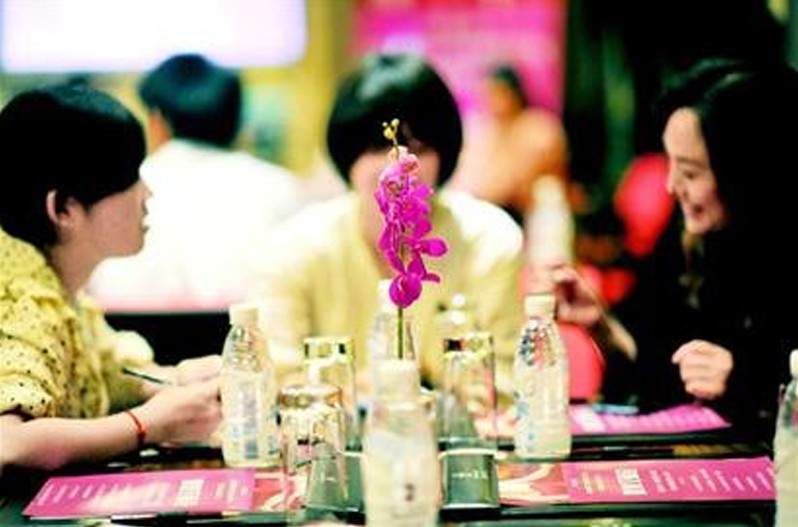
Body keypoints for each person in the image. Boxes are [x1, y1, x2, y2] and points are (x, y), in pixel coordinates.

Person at [249, 53, 524, 400]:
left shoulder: (489, 240)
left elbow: (505, 385)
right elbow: (274, 382)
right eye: (378, 147)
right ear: (347, 156)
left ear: (444, 155)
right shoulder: (292, 250)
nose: (396, 167)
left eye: (418, 148)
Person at [552, 58, 798, 434]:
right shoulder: (690, 238)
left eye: (691, 172)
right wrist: (602, 326)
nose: (671, 186)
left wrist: (746, 382)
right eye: (671, 164)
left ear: (749, 175)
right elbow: (658, 371)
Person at [0, 84, 222, 471]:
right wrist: (146, 425)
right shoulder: (20, 300)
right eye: (129, 179)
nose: (147, 194)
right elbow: (9, 443)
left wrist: (175, 380)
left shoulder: (56, 282)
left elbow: (103, 374)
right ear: (63, 209)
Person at [88, 53, 304, 311]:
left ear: (157, 121)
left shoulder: (121, 186)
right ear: (237, 123)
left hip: (127, 332)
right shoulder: (280, 187)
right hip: (252, 333)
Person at [449, 63, 570, 227]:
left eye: (497, 93)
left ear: (513, 93)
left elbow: (513, 182)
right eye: (487, 95)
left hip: (538, 216)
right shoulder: (488, 131)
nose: (491, 101)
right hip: (499, 211)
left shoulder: (538, 127)